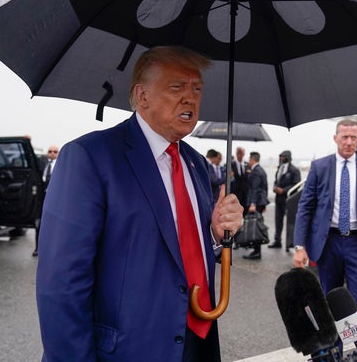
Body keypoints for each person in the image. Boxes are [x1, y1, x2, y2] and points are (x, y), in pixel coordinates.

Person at [35, 46, 244, 362]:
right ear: (142, 96)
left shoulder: (196, 164)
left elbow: (183, 250)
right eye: (177, 87)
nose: (191, 98)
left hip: (196, 346)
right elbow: (61, 284)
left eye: (197, 88)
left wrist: (215, 235)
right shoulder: (90, 157)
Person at [293, 119, 357, 358]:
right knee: (329, 303)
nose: (349, 142)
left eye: (354, 138)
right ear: (335, 138)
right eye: (345, 137)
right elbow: (305, 207)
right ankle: (333, 352)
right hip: (329, 244)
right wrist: (300, 246)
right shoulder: (320, 167)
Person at [268, 150, 301, 250]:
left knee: (290, 222)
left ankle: (290, 242)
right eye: (280, 156)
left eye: (283, 156)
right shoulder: (279, 168)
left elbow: (296, 184)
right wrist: (274, 187)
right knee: (278, 220)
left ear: (288, 157)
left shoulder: (294, 170)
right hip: (278, 199)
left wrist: (284, 190)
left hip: (288, 199)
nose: (281, 158)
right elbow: (276, 180)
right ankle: (277, 240)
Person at [34, 144, 59, 257]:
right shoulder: (41, 164)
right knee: (39, 224)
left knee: (54, 226)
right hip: (41, 198)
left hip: (55, 199)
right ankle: (38, 248)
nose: (52, 153)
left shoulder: (61, 165)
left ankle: (53, 250)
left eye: (55, 151)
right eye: (50, 151)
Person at [243, 151, 268, 260]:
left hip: (256, 202)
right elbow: (264, 188)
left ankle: (256, 251)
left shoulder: (256, 171)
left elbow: (255, 188)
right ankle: (256, 250)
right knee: (257, 224)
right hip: (260, 201)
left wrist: (252, 203)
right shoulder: (261, 170)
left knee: (255, 226)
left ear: (252, 159)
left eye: (249, 159)